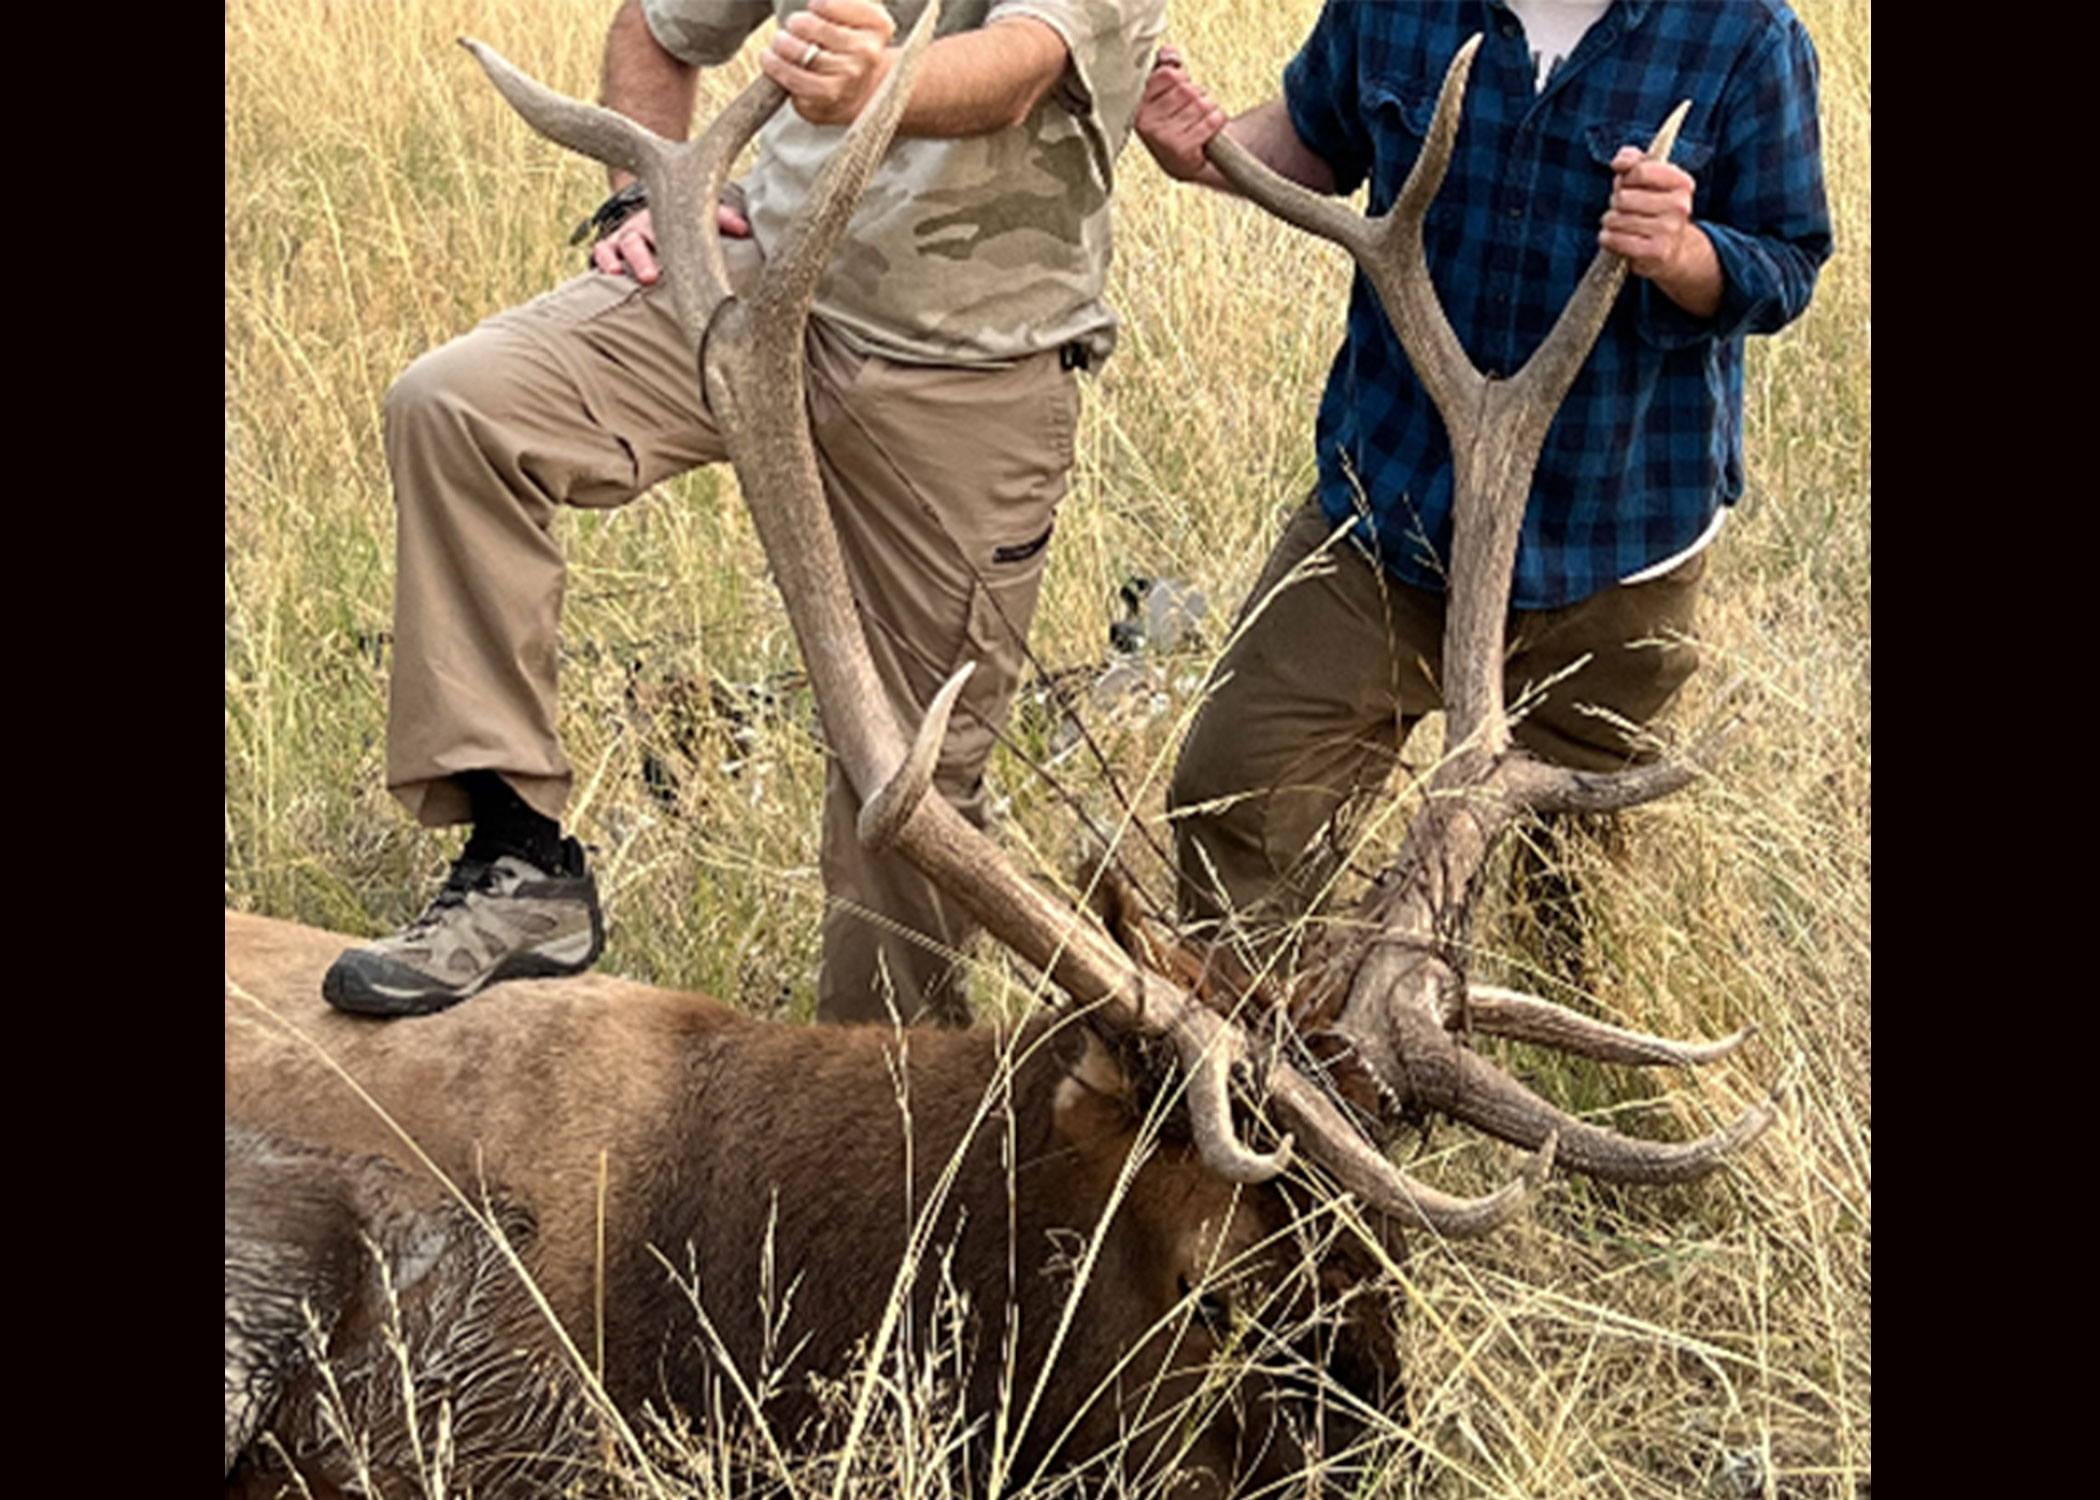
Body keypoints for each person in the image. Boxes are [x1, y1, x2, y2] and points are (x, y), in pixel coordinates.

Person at [324, 0, 1167, 1024]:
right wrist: (641, 200)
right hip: (754, 288)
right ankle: (520, 863)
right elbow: (657, 28)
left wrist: (880, 82)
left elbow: (1021, 66)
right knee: (461, 406)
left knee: (905, 795)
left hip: (969, 367)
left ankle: (888, 1131)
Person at [1133, 0, 1831, 951]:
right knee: (1237, 800)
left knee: (1571, 892)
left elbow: (1786, 262)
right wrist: (1209, 149)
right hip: (1393, 511)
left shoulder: (1746, 36)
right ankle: (1267, 1063)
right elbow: (1313, 135)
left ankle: (1530, 1063)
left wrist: (1685, 252)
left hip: (1613, 542)